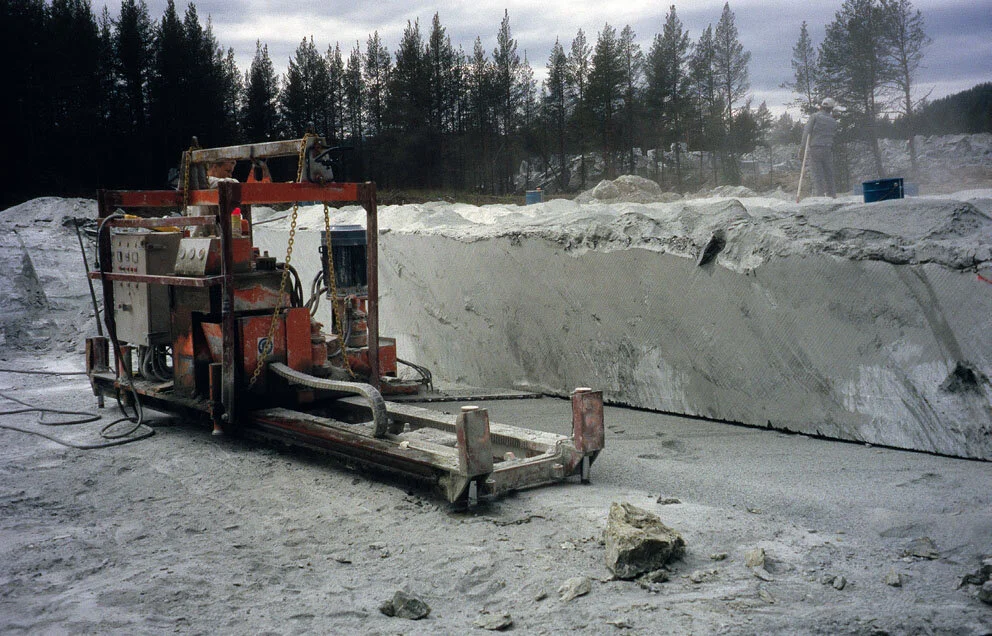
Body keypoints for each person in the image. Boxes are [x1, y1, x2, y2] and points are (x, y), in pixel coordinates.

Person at [801, 97, 842, 198]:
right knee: (829, 173)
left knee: (817, 174)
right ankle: (832, 195)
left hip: (815, 148)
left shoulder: (815, 117)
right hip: (828, 149)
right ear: (831, 108)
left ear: (821, 106)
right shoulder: (833, 121)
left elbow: (806, 133)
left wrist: (802, 149)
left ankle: (820, 196)